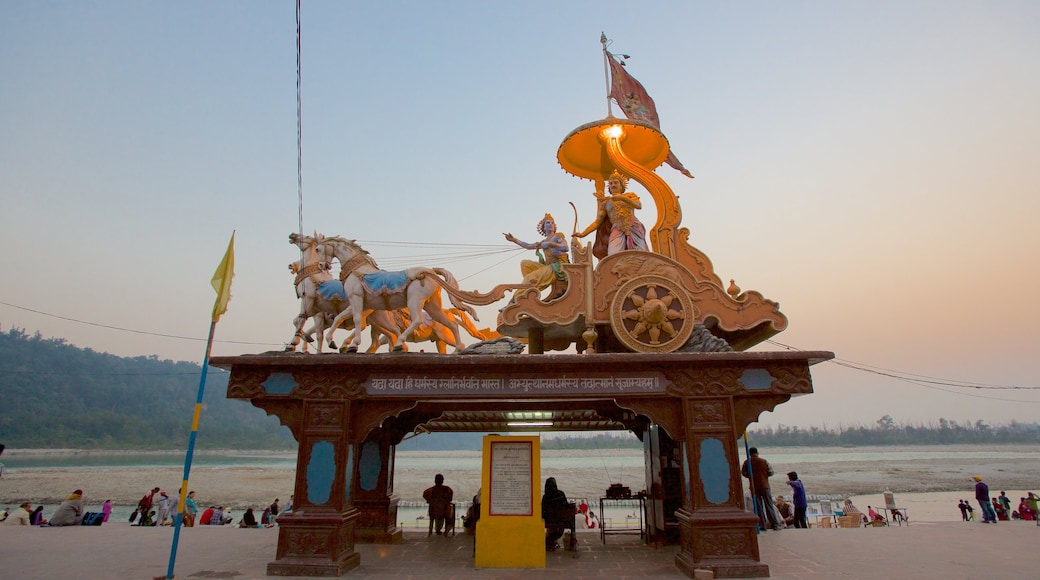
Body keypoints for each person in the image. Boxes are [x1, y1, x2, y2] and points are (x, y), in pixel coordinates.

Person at [575, 170, 649, 258]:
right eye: (610, 183)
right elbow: (597, 222)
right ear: (609, 187)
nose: (613, 185)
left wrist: (622, 198)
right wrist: (583, 233)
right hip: (617, 228)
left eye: (615, 182)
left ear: (621, 185)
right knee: (613, 255)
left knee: (640, 255)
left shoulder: (630, 195)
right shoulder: (605, 203)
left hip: (633, 226)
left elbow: (639, 205)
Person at [503, 213, 570, 299]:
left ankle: (515, 300)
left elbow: (565, 247)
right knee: (525, 263)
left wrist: (551, 244)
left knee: (530, 277)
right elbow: (528, 246)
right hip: (549, 266)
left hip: (558, 267)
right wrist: (514, 240)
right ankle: (530, 287)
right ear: (544, 227)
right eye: (548, 223)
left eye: (552, 223)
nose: (550, 224)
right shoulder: (543, 242)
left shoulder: (558, 236)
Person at [740, 447, 783, 531]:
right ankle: (775, 524)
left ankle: (762, 525)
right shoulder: (764, 461)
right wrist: (763, 475)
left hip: (754, 487)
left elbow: (744, 473)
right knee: (769, 505)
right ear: (757, 453)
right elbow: (771, 472)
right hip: (765, 486)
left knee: (758, 507)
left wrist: (751, 476)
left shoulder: (747, 462)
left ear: (749, 453)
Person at [541, 477, 569, 551]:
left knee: (552, 527)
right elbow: (566, 506)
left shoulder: (545, 497)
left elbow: (543, 511)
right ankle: (551, 542)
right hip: (561, 520)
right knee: (556, 528)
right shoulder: (560, 494)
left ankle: (549, 542)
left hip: (549, 521)